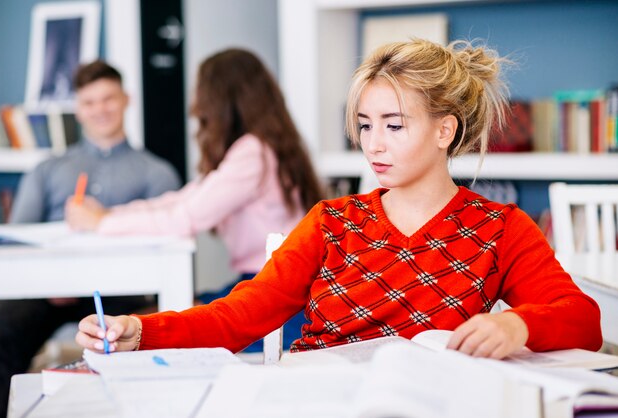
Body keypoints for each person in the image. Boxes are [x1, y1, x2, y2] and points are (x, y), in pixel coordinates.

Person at [75, 39, 602, 360]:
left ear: (446, 131)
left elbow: (584, 322)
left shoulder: (500, 228)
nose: (373, 144)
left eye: (394, 125)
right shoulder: (333, 222)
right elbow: (239, 316)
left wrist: (518, 324)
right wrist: (142, 330)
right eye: (365, 125)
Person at [66, 49, 324, 350]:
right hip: (270, 286)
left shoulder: (251, 153)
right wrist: (109, 214)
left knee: (154, 325)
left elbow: (184, 217)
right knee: (159, 318)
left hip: (276, 297)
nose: (197, 106)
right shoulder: (256, 148)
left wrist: (102, 223)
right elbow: (181, 200)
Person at [0, 60, 180, 418]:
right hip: (48, 291)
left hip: (121, 291)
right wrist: (49, 280)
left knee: (140, 333)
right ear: (78, 108)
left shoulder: (157, 173)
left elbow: (166, 237)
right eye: (89, 102)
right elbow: (17, 239)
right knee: (4, 336)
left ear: (126, 100)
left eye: (108, 98)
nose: (100, 110)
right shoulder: (47, 170)